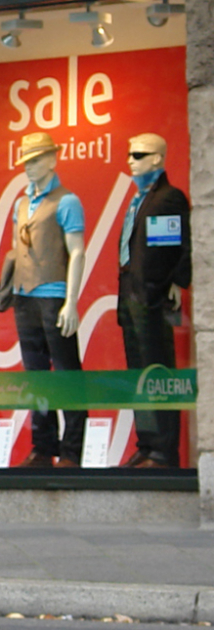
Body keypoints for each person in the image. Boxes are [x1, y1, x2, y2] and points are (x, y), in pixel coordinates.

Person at [0, 132, 87, 469]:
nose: (29, 168)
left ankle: (72, 451)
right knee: (36, 375)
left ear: (52, 159)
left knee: (66, 373)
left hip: (53, 296)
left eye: (35, 160)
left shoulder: (67, 201)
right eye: (25, 162)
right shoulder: (22, 203)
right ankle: (43, 447)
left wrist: (72, 302)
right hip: (25, 297)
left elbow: (77, 252)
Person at [115, 131, 189, 469]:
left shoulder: (169, 198)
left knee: (157, 370)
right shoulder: (139, 200)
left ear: (158, 159)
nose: (132, 160)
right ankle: (147, 443)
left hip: (152, 295)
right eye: (131, 154)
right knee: (137, 373)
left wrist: (175, 282)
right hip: (131, 294)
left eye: (140, 154)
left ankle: (162, 450)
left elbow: (178, 245)